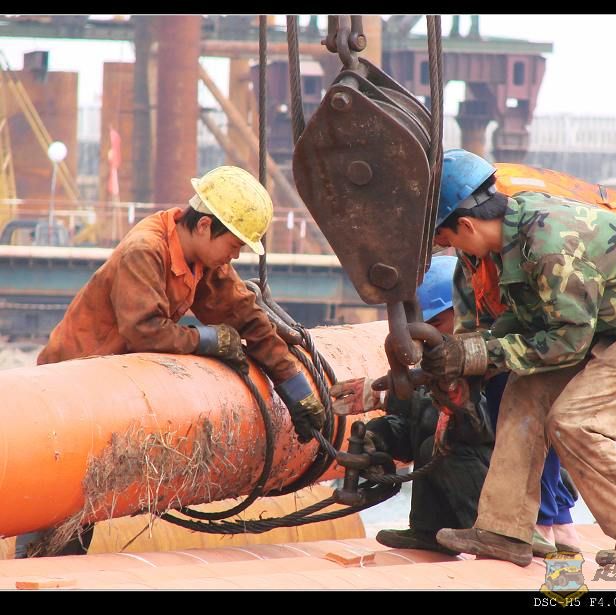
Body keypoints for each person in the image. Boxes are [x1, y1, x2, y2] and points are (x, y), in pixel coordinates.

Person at [19, 166, 326, 558]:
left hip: (106, 389)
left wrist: (295, 386)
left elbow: (246, 317)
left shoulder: (201, 260)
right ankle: (32, 572)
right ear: (204, 226)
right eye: (234, 244)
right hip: (66, 391)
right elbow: (143, 331)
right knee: (57, 508)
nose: (236, 255)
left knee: (79, 517)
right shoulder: (145, 251)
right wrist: (208, 340)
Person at [423, 149, 616, 568]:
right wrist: (465, 361)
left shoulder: (549, 245)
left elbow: (567, 343)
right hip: (600, 322)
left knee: (576, 421)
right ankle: (504, 531)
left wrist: (480, 352)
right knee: (523, 395)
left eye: (447, 239)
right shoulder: (497, 243)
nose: (448, 248)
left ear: (466, 224)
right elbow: (518, 323)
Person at [331, 255, 495, 555]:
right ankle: (428, 530)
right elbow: (414, 430)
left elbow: (469, 426)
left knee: (441, 444)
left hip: (504, 495)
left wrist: (385, 397)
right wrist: (378, 437)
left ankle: (491, 532)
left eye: (436, 324)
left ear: (465, 313)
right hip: (469, 471)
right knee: (427, 442)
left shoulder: (491, 360)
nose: (428, 337)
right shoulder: (433, 370)